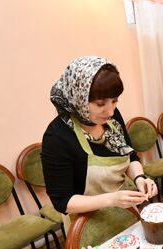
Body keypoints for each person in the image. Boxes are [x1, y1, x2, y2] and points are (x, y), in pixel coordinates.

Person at [42, 56, 157, 215]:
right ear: (79, 98)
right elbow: (62, 201)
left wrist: (140, 178)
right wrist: (111, 199)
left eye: (115, 101)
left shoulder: (112, 118)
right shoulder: (57, 137)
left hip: (125, 211)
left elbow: (130, 156)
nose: (110, 111)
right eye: (100, 104)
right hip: (87, 225)